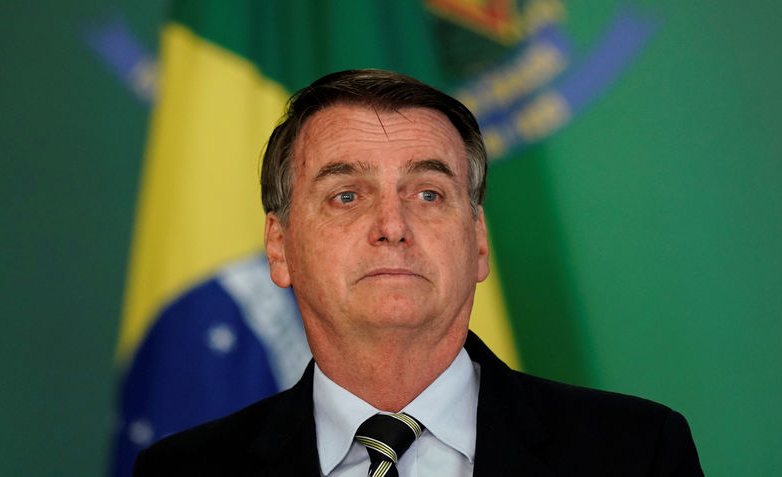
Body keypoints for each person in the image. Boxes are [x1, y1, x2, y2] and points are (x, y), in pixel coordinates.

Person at [133, 69, 704, 476]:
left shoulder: (636, 454)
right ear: (279, 247)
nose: (392, 225)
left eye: (428, 193)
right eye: (346, 196)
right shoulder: (182, 470)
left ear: (478, 240)